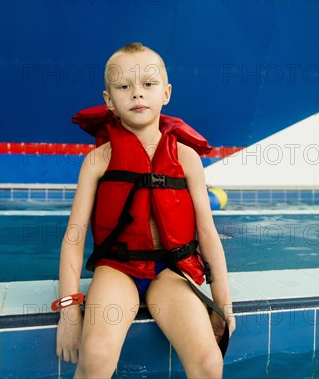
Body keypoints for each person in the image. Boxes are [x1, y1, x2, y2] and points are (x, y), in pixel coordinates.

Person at [54, 42, 235, 378]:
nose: (137, 94)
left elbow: (207, 234)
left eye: (148, 85)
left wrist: (222, 302)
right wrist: (69, 310)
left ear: (166, 93)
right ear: (109, 100)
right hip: (117, 269)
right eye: (124, 87)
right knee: (94, 356)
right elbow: (74, 238)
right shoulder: (98, 160)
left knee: (210, 362)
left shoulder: (187, 159)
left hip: (169, 271)